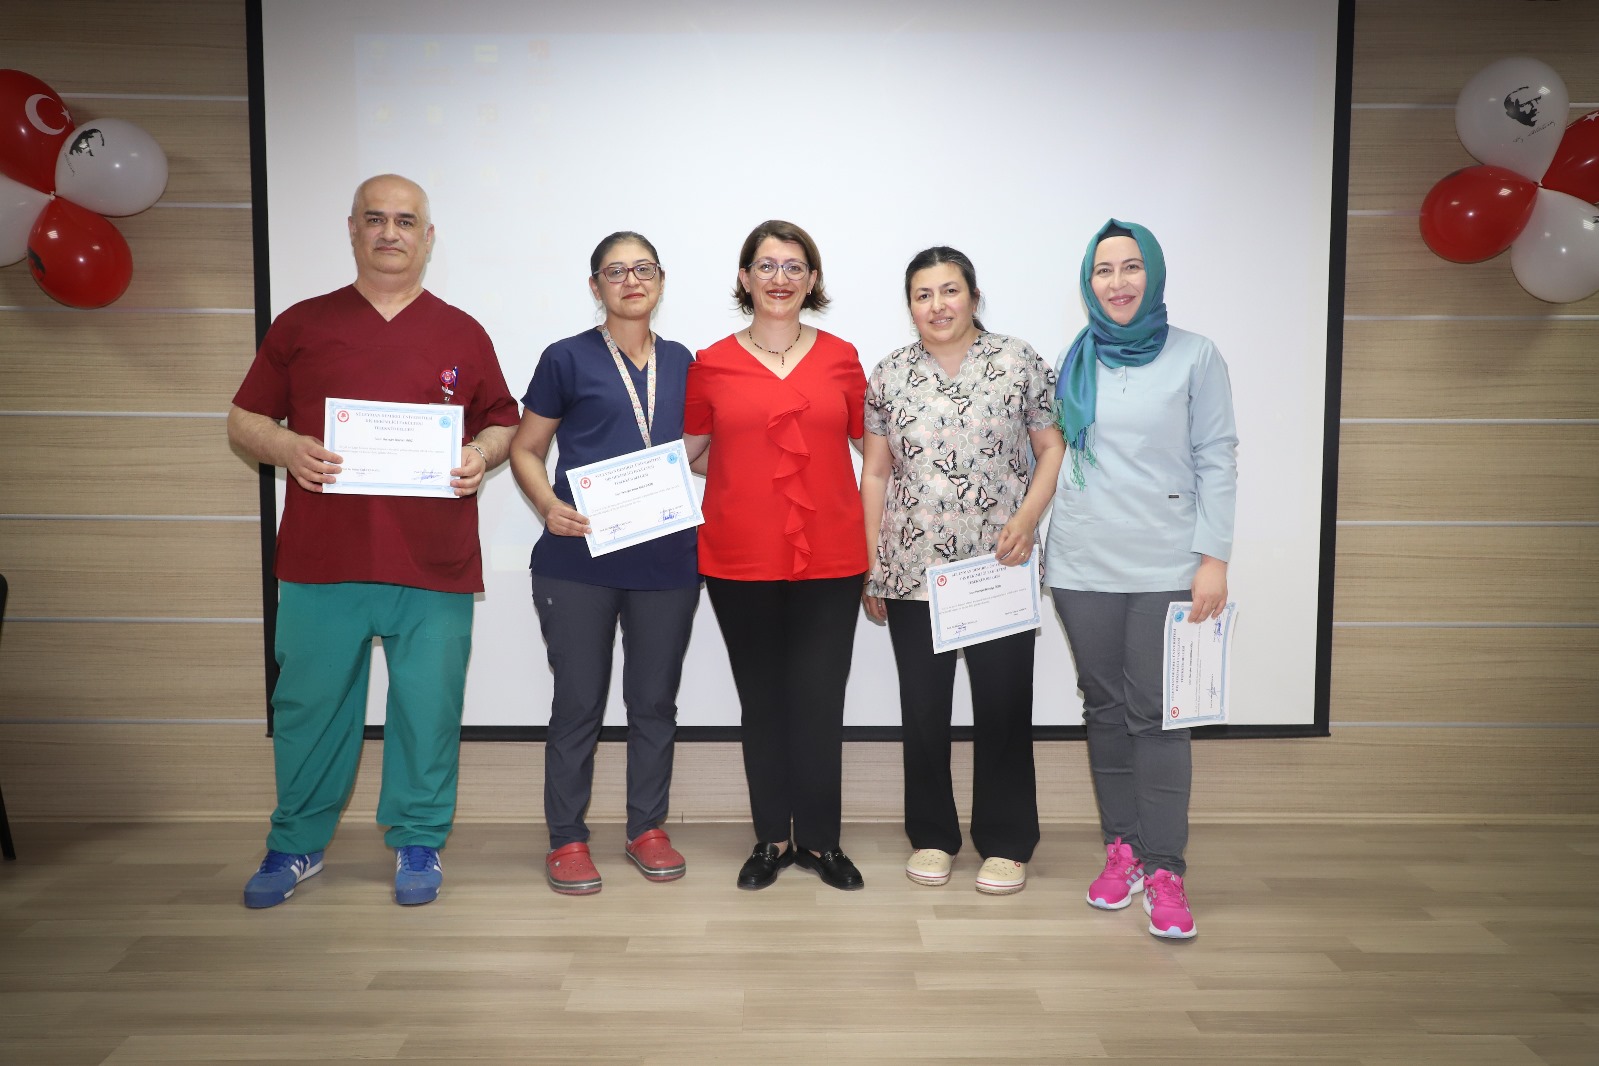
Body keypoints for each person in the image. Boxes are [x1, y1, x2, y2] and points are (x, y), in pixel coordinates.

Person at [229, 174, 519, 908]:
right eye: (376, 219)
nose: (391, 232)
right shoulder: (302, 323)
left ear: (428, 236)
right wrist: (286, 447)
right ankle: (296, 843)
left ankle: (419, 839)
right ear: (353, 229)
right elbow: (244, 420)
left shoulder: (462, 331)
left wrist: (480, 455)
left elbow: (502, 420)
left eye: (406, 221)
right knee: (310, 707)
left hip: (433, 560)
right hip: (323, 559)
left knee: (428, 708)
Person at [1045, 219, 1237, 939]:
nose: (1117, 282)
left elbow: (1218, 455)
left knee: (1157, 717)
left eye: (1130, 267)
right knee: (1102, 708)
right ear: (1088, 283)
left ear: (1151, 275)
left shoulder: (1195, 355)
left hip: (1165, 562)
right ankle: (1121, 850)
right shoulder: (1074, 357)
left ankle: (1164, 869)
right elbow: (1053, 455)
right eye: (1104, 270)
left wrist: (1213, 557)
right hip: (1080, 562)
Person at [860, 247, 1065, 896]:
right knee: (923, 712)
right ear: (910, 306)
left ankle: (1006, 841)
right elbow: (875, 472)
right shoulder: (889, 374)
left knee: (1003, 707)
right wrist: (871, 564)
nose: (937, 305)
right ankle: (932, 835)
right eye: (923, 294)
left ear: (974, 296)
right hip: (911, 571)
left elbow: (1051, 446)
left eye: (950, 290)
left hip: (997, 567)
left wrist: (1028, 519)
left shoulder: (1018, 361)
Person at [509, 232, 699, 896]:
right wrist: (546, 505)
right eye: (615, 272)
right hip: (577, 558)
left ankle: (647, 828)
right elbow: (526, 448)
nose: (630, 281)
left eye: (642, 269)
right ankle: (566, 838)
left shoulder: (685, 361)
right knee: (578, 703)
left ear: (661, 280)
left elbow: (696, 451)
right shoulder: (565, 358)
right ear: (595, 286)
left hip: (666, 559)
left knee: (654, 702)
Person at [682, 220, 868, 891]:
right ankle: (772, 839)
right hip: (737, 557)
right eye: (766, 266)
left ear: (812, 280)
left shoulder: (843, 357)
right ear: (744, 278)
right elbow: (688, 456)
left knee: (820, 701)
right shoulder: (709, 363)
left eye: (793, 267)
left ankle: (820, 841)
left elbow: (875, 456)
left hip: (833, 557)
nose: (779, 278)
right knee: (760, 702)